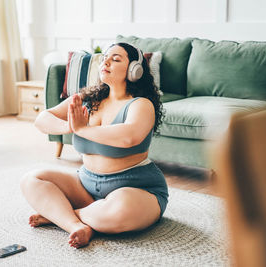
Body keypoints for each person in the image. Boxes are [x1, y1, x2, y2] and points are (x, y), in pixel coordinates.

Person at [20, 43, 168, 249]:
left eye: (116, 59)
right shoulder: (88, 99)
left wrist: (83, 130)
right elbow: (42, 119)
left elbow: (129, 137)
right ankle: (76, 225)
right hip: (86, 184)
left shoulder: (141, 104)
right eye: (105, 57)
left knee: (120, 211)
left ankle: (59, 216)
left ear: (135, 70)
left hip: (136, 189)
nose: (106, 61)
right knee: (32, 179)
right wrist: (69, 126)